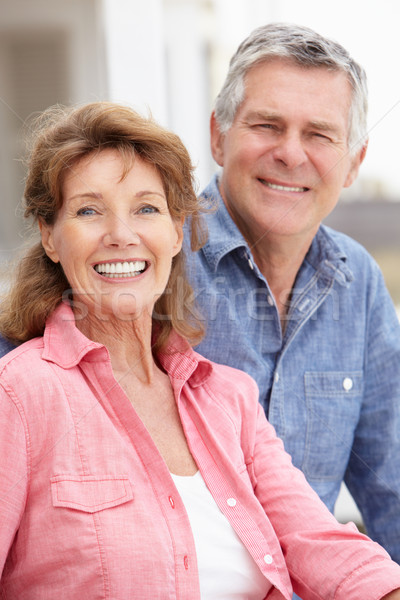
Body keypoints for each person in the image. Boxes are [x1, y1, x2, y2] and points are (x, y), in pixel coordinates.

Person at [1, 101, 400, 600]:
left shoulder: (227, 398)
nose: (122, 235)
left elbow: (323, 546)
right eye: (88, 210)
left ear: (176, 232)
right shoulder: (17, 394)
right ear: (50, 237)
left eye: (146, 208)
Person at [185, 22, 400, 566]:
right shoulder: (152, 259)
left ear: (353, 161)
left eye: (320, 134)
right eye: (267, 124)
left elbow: (392, 484)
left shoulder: (361, 284)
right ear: (218, 135)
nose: (289, 153)